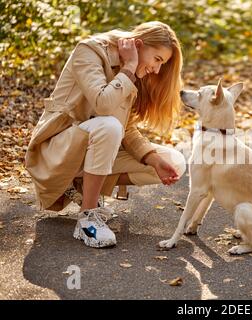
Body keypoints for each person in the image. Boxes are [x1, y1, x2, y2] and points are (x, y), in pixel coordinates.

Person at [25, 21, 186, 248]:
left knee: (175, 162)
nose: (157, 70)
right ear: (138, 44)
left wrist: (153, 158)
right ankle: (87, 218)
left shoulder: (131, 72)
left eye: (163, 64)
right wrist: (129, 67)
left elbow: (125, 128)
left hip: (91, 146)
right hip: (55, 150)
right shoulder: (89, 51)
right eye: (157, 59)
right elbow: (103, 105)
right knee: (109, 126)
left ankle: (81, 183)